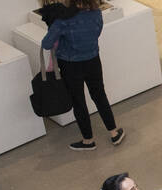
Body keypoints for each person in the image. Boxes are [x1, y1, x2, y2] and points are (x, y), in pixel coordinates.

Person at [41, 0, 125, 151]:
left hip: (70, 65)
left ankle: (88, 140)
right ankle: (114, 133)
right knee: (99, 95)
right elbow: (97, 33)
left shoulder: (62, 21)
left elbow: (47, 44)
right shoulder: (96, 14)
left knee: (78, 101)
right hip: (93, 60)